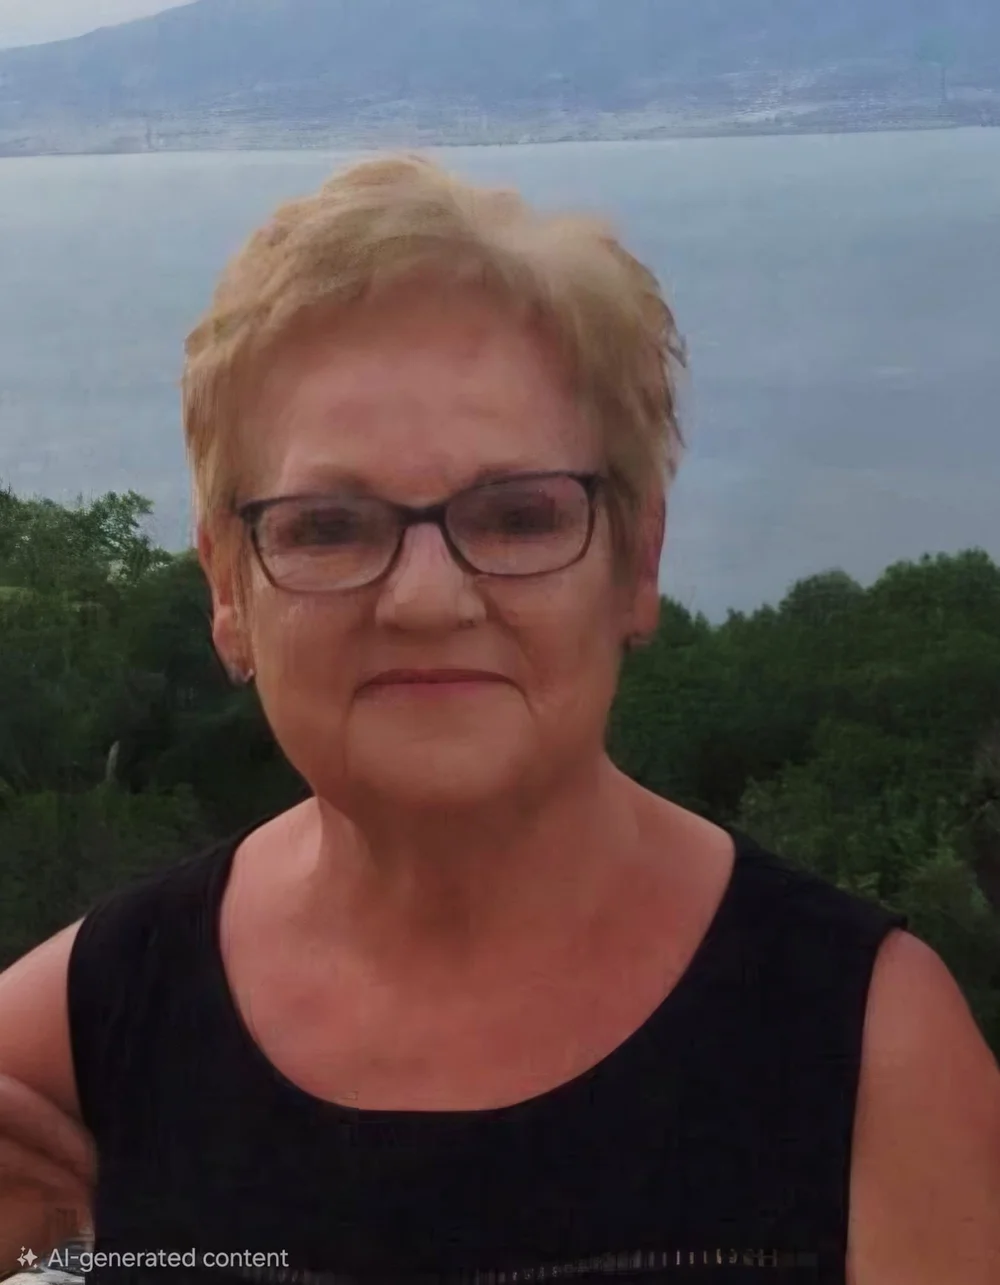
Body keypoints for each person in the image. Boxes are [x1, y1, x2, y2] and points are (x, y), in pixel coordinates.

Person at [0, 154, 998, 1285]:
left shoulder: (865, 1050)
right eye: (330, 526)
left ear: (636, 563)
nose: (427, 598)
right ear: (229, 588)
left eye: (519, 515)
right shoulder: (95, 1027)